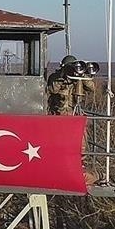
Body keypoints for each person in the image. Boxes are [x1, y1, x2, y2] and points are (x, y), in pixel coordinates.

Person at [47, 55, 99, 185]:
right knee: (59, 141)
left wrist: (82, 76)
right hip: (59, 115)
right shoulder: (56, 77)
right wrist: (64, 77)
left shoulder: (78, 79)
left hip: (74, 114)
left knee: (81, 140)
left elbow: (92, 88)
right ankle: (59, 163)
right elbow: (53, 89)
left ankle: (80, 163)